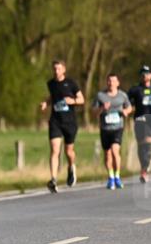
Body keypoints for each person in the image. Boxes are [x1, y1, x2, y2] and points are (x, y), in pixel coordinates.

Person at [39, 60, 84, 193]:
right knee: (54, 150)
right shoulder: (51, 83)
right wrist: (45, 103)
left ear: (63, 70)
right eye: (54, 69)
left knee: (69, 152)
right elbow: (52, 97)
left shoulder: (71, 83)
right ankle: (53, 179)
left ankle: (71, 167)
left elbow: (82, 99)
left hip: (69, 122)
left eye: (58, 69)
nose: (56, 71)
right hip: (55, 121)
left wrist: (73, 101)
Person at [92, 73, 133, 190]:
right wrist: (102, 108)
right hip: (105, 129)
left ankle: (117, 176)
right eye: (109, 81)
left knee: (115, 151)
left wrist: (126, 112)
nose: (111, 83)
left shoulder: (122, 96)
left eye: (114, 81)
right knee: (107, 154)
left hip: (117, 128)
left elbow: (129, 107)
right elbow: (93, 112)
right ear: (107, 82)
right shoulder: (100, 96)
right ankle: (110, 177)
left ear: (118, 83)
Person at [128, 65, 151, 183]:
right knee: (141, 145)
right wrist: (129, 108)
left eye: (147, 73)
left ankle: (144, 169)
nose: (145, 75)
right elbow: (127, 102)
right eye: (143, 73)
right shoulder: (135, 89)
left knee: (148, 143)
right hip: (139, 119)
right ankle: (143, 166)